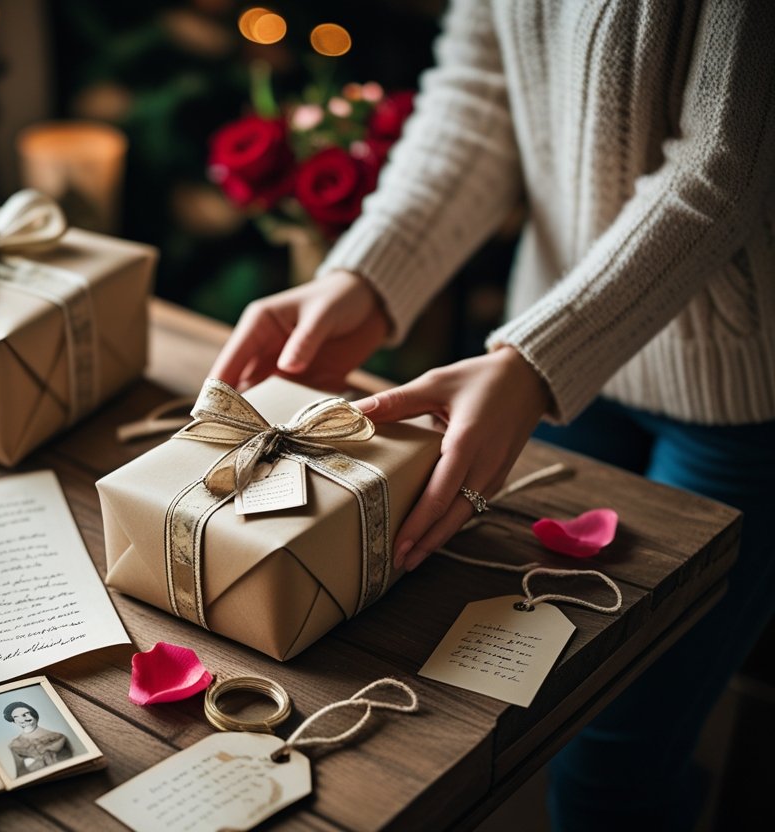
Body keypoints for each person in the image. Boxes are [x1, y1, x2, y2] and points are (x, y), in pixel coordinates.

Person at [210, 1, 775, 829]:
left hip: (738, 397)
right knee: (518, 710)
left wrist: (539, 360)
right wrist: (366, 279)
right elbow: (478, 94)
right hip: (546, 360)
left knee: (612, 765)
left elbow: (731, 160)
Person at [2, 701, 72, 777]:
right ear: (14, 721)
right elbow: (21, 773)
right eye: (16, 717)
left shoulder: (58, 737)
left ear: (34, 715)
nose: (22, 720)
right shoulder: (15, 745)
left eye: (25, 714)